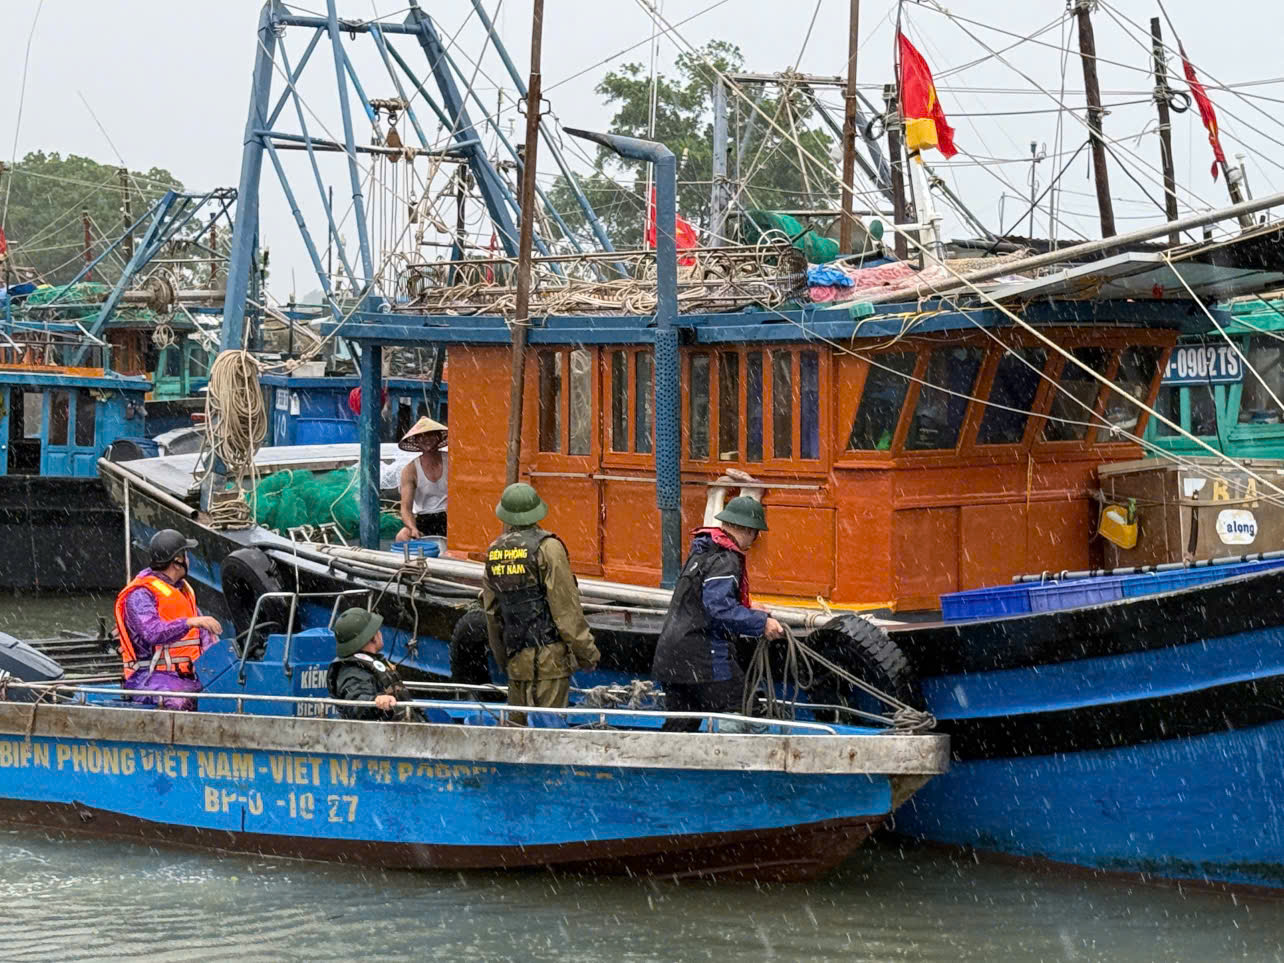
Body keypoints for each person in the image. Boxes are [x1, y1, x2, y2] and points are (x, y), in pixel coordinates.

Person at [651, 496, 785, 732]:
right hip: (703, 657)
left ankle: (667, 767)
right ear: (748, 531)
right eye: (756, 534)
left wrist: (748, 609)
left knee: (681, 725)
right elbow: (719, 609)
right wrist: (761, 623)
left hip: (670, 657)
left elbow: (702, 599)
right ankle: (739, 765)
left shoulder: (702, 550)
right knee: (745, 708)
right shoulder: (726, 558)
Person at [480, 482, 600, 718]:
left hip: (517, 664)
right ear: (537, 510)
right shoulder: (549, 548)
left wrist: (504, 660)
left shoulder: (494, 551)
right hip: (551, 663)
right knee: (549, 736)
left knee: (518, 738)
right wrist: (587, 654)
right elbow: (565, 611)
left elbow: (492, 614)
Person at [113, 529, 223, 711]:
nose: (189, 560)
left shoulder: (182, 591)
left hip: (186, 676)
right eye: (186, 555)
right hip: (149, 677)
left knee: (224, 691)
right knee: (181, 701)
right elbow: (152, 632)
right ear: (177, 562)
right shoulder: (140, 595)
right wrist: (188, 622)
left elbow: (203, 638)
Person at [326, 608, 425, 722]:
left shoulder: (364, 665)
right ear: (372, 637)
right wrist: (375, 700)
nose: (380, 633)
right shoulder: (353, 671)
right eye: (377, 630)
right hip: (387, 736)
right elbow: (356, 701)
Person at [394, 416, 448, 542]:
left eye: (431, 435)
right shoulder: (410, 470)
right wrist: (412, 528)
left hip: (450, 516)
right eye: (422, 436)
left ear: (439, 437)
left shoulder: (452, 461)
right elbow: (406, 508)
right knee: (401, 537)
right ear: (416, 441)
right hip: (424, 518)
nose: (426, 439)